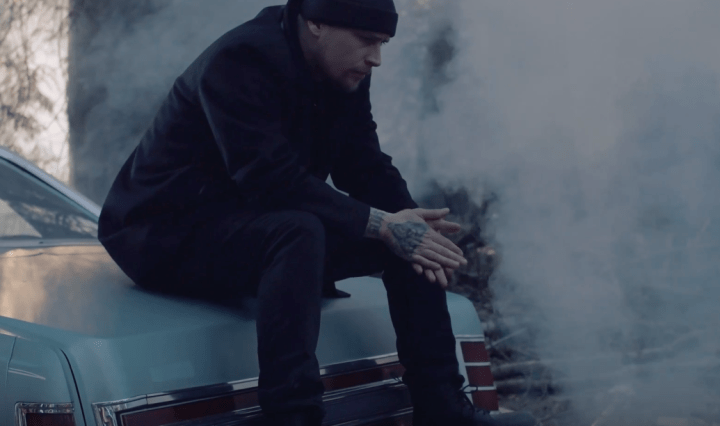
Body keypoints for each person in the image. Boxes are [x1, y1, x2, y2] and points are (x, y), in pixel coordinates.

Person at [98, 0, 536, 425]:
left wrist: (410, 223)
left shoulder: (343, 72)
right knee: (300, 230)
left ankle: (441, 406)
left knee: (407, 239)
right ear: (316, 23)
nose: (376, 58)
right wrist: (383, 224)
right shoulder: (240, 59)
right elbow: (268, 179)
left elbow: (363, 164)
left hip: (247, 225)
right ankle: (294, 415)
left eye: (383, 43)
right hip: (160, 234)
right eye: (366, 39)